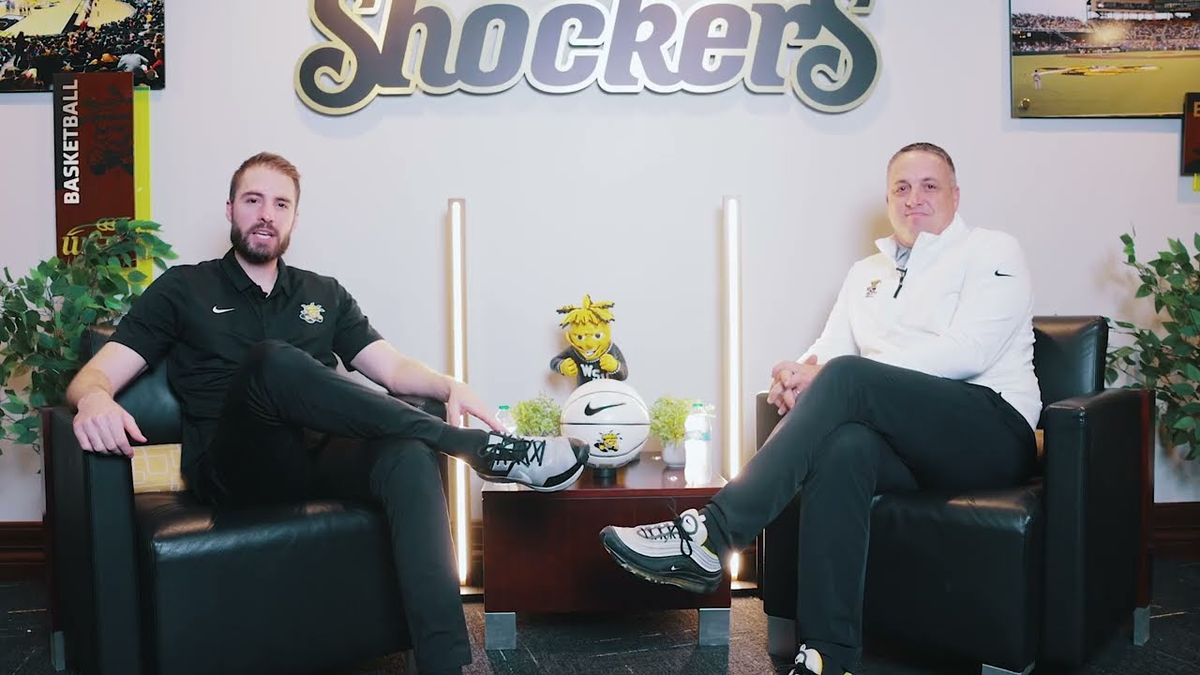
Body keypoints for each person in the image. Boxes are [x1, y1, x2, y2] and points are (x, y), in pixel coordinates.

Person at [66, 152, 590, 675]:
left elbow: (391, 369)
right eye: (253, 200)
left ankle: (445, 665)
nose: (266, 214)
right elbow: (93, 377)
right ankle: (474, 448)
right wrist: (93, 399)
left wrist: (447, 383)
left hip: (317, 459)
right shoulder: (183, 289)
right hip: (233, 469)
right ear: (230, 209)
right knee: (271, 362)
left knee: (407, 455)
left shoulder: (324, 294)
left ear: (295, 218)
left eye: (281, 204)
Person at [600, 143, 1040, 675]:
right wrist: (798, 375)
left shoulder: (992, 250)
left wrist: (830, 377)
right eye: (901, 188)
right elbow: (829, 350)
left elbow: (969, 351)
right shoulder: (866, 273)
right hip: (906, 444)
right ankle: (828, 656)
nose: (914, 199)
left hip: (991, 431)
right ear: (888, 200)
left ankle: (713, 533)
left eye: (930, 186)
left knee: (847, 377)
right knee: (845, 447)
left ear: (955, 195)